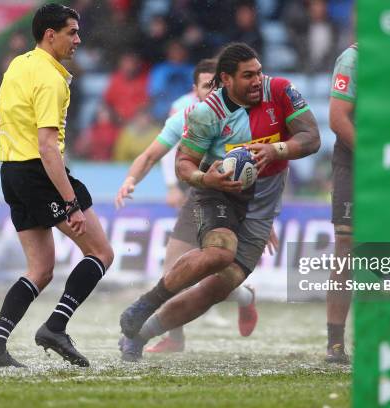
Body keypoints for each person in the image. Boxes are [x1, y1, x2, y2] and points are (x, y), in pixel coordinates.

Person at [118, 42, 320, 361]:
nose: (257, 81)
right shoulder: (206, 114)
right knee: (218, 253)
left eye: (259, 72)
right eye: (248, 75)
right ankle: (146, 302)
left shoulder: (280, 91)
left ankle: (139, 335)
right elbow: (183, 163)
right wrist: (205, 179)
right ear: (226, 79)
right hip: (217, 191)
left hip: (261, 206)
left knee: (218, 288)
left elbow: (312, 138)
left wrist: (276, 150)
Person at [0, 3, 114, 368]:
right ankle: (55, 326)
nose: (78, 39)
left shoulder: (18, 66)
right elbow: (48, 146)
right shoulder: (52, 79)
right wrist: (69, 203)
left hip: (12, 172)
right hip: (40, 172)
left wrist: (20, 165)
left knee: (40, 270)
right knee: (101, 253)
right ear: (50, 35)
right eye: (72, 32)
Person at [115, 58, 265, 354]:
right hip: (200, 194)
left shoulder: (243, 114)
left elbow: (268, 166)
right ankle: (173, 338)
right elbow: (151, 155)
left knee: (216, 277)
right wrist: (130, 180)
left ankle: (245, 298)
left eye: (216, 85)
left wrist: (263, 215)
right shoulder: (184, 115)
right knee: (175, 269)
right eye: (205, 86)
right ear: (194, 90)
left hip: (240, 199)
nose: (212, 91)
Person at [326, 42, 357, 364]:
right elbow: (337, 118)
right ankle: (335, 341)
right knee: (347, 243)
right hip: (355, 158)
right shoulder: (353, 58)